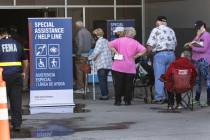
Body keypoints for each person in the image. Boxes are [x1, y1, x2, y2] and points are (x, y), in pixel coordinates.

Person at [109, 27, 146, 105]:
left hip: (118, 66)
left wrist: (116, 52)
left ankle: (118, 101)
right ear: (133, 34)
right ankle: (127, 101)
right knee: (129, 85)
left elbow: (109, 44)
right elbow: (144, 50)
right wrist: (136, 56)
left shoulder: (119, 40)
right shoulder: (135, 42)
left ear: (125, 33)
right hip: (130, 67)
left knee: (118, 84)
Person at [0, 28, 28, 131]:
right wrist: (24, 72)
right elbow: (25, 60)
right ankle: (17, 124)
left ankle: (2, 123)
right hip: (16, 76)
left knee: (1, 102)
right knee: (16, 101)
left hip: (2, 78)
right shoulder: (17, 44)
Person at [147, 16, 177, 103]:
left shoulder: (156, 30)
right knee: (169, 77)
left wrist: (147, 54)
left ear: (158, 22)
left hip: (160, 54)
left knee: (160, 77)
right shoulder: (171, 30)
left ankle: (159, 97)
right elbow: (175, 43)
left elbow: (150, 45)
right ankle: (170, 96)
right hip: (171, 54)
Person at [186, 20, 210, 106]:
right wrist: (197, 36)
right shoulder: (200, 35)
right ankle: (197, 99)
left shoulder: (206, 36)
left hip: (203, 60)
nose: (197, 30)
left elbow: (203, 49)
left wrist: (192, 47)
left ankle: (208, 100)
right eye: (196, 28)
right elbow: (194, 42)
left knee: (207, 80)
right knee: (198, 81)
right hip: (197, 60)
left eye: (199, 28)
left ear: (203, 26)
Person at [88, 28, 112, 100]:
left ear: (96, 35)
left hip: (102, 63)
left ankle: (104, 95)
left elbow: (96, 52)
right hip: (108, 63)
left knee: (102, 80)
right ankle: (106, 94)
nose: (93, 37)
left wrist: (89, 58)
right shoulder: (106, 41)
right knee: (104, 80)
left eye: (94, 35)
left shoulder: (99, 41)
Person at [74, 21, 95, 93]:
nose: (75, 28)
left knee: (79, 71)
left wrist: (78, 53)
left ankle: (81, 88)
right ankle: (86, 88)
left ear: (78, 26)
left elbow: (80, 44)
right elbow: (93, 42)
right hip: (87, 55)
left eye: (75, 26)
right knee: (85, 72)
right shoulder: (88, 32)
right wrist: (88, 48)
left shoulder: (79, 32)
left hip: (81, 55)